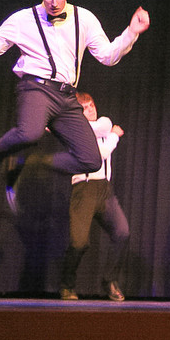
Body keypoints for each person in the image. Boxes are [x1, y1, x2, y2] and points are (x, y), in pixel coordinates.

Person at [0, 0, 150, 209]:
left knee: (91, 160)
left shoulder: (85, 19)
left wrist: (132, 32)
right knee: (29, 133)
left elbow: (107, 56)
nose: (54, 3)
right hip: (36, 88)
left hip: (67, 96)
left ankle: (28, 163)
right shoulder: (22, 19)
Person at [60, 92, 131, 301]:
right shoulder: (76, 132)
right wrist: (115, 136)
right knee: (79, 243)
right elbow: (100, 153)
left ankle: (109, 280)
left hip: (104, 190)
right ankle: (67, 285)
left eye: (92, 105)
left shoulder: (103, 123)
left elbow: (105, 125)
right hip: (84, 188)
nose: (91, 109)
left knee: (122, 232)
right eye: (85, 108)